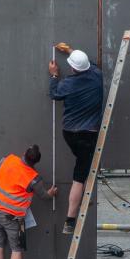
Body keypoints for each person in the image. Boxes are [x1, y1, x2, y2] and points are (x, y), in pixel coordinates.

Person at [0, 145, 58, 259]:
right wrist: (51, 193)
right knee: (16, 249)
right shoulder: (33, 178)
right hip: (12, 218)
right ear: (36, 162)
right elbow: (44, 196)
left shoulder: (9, 159)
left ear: (24, 153)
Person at [49, 42, 103, 234]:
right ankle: (70, 220)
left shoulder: (66, 84)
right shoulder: (97, 75)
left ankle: (72, 216)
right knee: (79, 177)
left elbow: (54, 94)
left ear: (72, 67)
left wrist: (55, 75)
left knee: (82, 168)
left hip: (69, 134)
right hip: (88, 135)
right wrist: (72, 50)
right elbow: (88, 63)